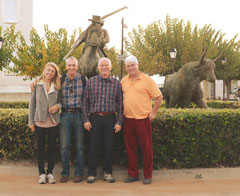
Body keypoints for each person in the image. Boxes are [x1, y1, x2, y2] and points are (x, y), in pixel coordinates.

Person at [121, 55, 163, 185]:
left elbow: (159, 96)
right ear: (126, 67)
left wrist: (154, 113)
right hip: (128, 119)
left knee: (146, 149)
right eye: (128, 66)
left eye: (133, 65)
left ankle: (148, 175)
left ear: (137, 65)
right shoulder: (123, 81)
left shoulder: (147, 80)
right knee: (130, 149)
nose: (131, 68)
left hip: (143, 120)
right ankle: (133, 174)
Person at [82, 57, 123, 183]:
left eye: (106, 65)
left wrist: (119, 122)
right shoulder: (91, 82)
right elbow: (85, 102)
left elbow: (120, 104)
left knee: (109, 146)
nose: (104, 67)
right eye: (102, 65)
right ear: (98, 68)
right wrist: (86, 120)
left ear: (110, 67)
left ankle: (107, 172)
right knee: (93, 146)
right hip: (94, 118)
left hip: (110, 118)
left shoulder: (116, 83)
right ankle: (91, 173)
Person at [29, 62, 61, 184]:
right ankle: (41, 173)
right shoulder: (36, 85)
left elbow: (60, 102)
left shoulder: (57, 86)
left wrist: (57, 107)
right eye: (48, 70)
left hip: (53, 122)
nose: (49, 73)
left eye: (52, 71)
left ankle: (50, 173)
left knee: (52, 149)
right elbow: (32, 105)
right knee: (40, 149)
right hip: (39, 122)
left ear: (55, 74)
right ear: (44, 70)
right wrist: (31, 122)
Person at [59, 56, 87, 183]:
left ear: (77, 66)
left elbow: (87, 99)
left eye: (74, 65)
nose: (71, 67)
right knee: (64, 147)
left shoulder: (83, 79)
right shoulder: (61, 79)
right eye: (69, 65)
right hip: (64, 116)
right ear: (66, 67)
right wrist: (34, 82)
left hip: (79, 116)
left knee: (80, 147)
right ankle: (65, 173)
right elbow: (45, 80)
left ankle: (78, 173)